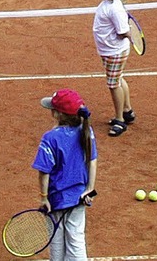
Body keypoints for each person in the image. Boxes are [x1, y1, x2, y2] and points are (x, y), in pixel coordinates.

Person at [33, 88, 97, 260]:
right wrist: (90, 188)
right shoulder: (87, 131)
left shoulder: (50, 138)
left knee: (56, 240)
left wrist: (44, 197)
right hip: (79, 196)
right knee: (76, 239)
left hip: (56, 199)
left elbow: (44, 172)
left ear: (57, 114)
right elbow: (92, 160)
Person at [93, 0, 136, 137]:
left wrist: (126, 35)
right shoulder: (109, 3)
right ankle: (127, 111)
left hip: (114, 51)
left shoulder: (115, 8)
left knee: (113, 84)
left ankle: (120, 120)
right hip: (108, 50)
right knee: (118, 78)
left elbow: (123, 31)